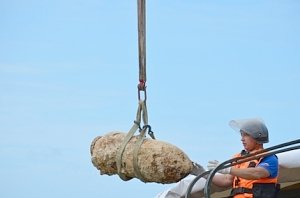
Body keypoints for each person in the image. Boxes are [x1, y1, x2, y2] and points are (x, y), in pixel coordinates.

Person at [207, 118, 280, 198]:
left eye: (246, 135)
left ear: (257, 136)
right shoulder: (239, 158)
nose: (242, 139)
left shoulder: (269, 158)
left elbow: (256, 173)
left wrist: (229, 170)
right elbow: (226, 180)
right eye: (242, 135)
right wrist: (204, 174)